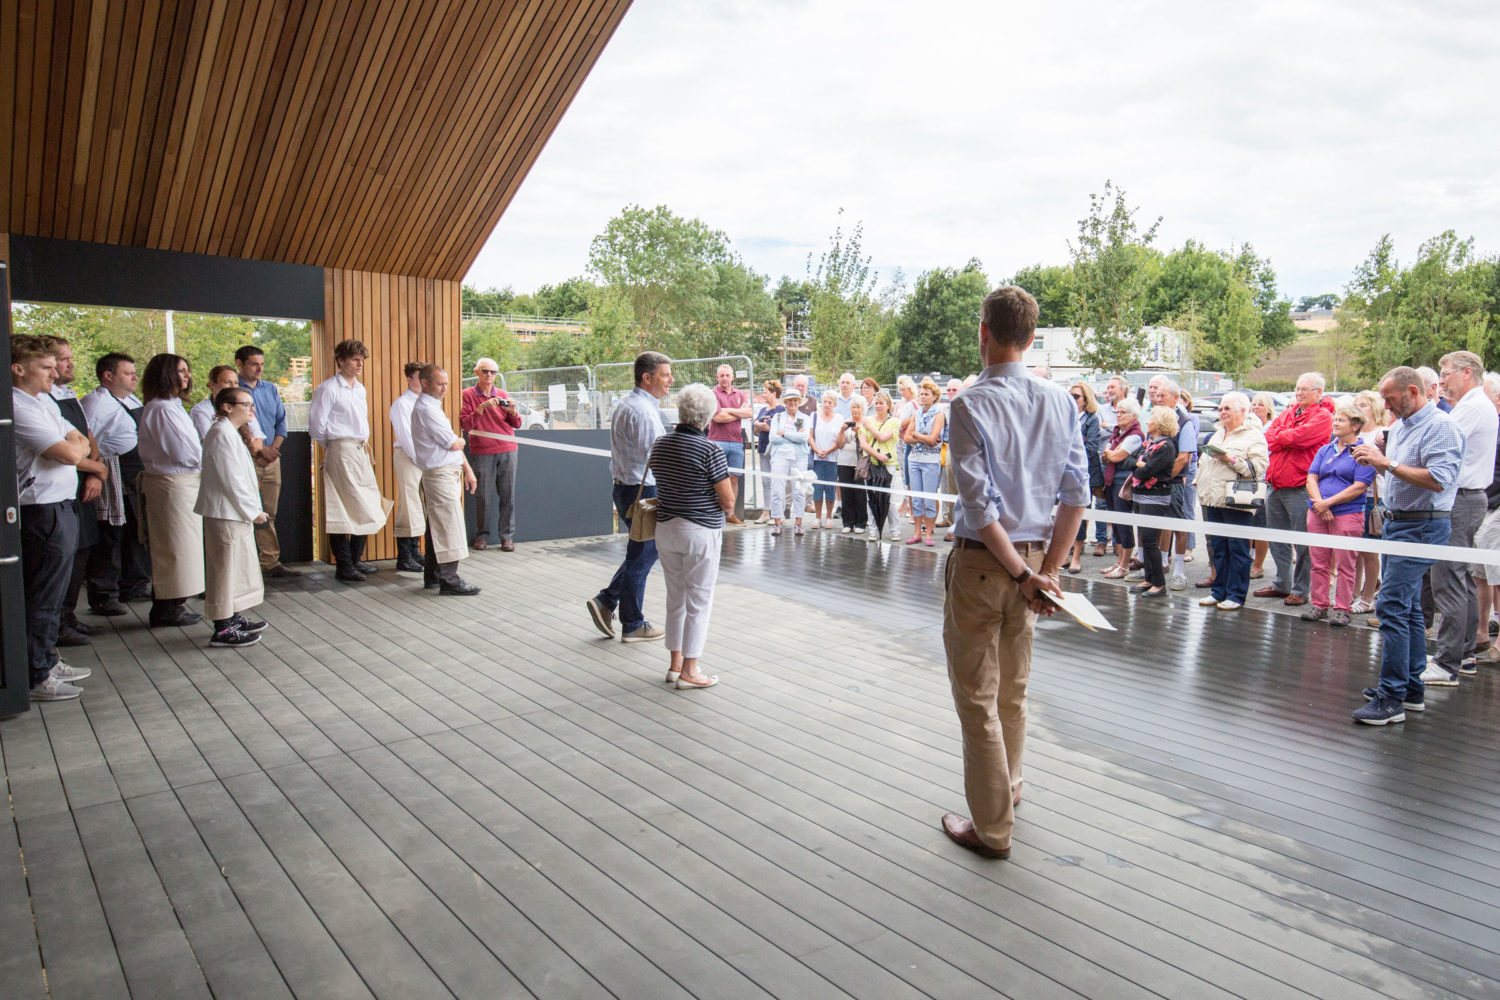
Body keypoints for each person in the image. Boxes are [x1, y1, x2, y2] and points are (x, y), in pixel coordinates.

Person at [940, 286, 1088, 860]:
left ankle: (992, 830)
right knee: (1013, 691)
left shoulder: (970, 403)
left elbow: (980, 509)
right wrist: (1045, 571)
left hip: (984, 563)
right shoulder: (1062, 400)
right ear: (1030, 338)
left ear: (984, 332)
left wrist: (1026, 575)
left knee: (977, 700)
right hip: (1032, 560)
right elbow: (1077, 493)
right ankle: (1011, 787)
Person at [1351, 366, 1463, 725]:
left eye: (1390, 399)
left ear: (1413, 391)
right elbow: (1401, 473)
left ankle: (1392, 697)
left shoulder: (1442, 427)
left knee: (1392, 607)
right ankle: (1411, 688)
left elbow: (1439, 480)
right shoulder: (1400, 427)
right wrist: (1379, 462)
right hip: (1400, 524)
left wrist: (1386, 462)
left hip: (1423, 527)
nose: (1386, 406)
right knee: (1409, 608)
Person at [12, 336, 96, 700]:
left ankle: (46, 657)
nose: (55, 371)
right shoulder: (18, 405)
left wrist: (75, 451)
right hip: (40, 508)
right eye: (45, 367)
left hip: (61, 504)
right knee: (42, 594)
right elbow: (66, 452)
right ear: (18, 369)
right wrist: (74, 452)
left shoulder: (43, 400)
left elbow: (82, 441)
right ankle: (35, 674)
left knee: (58, 590)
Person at [648, 383, 734, 690]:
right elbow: (728, 502)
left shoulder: (660, 444)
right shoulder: (711, 450)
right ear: (708, 416)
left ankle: (674, 665)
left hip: (665, 527)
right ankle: (691, 670)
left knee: (676, 599)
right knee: (699, 600)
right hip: (700, 532)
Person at [585, 351, 672, 643]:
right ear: (647, 378)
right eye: (665, 374)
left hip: (627, 487)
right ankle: (631, 622)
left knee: (642, 553)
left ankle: (607, 601)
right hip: (643, 491)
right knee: (643, 556)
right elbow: (656, 458)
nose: (670, 380)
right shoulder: (643, 411)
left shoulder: (629, 404)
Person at [1422, 351, 1497, 685]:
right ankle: (1462, 654)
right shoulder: (1476, 405)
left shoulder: (1471, 407)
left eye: (1446, 373)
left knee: (1449, 579)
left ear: (1467, 373)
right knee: (1460, 578)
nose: (1441, 381)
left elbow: (1438, 441)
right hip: (1466, 498)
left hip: (1461, 500)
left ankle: (1447, 662)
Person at [309, 339, 392, 582]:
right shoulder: (328, 388)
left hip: (360, 450)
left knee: (366, 503)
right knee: (340, 508)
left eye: (361, 359)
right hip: (341, 447)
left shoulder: (360, 388)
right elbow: (316, 426)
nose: (359, 364)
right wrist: (335, 446)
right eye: (355, 359)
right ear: (341, 361)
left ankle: (355, 560)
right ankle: (344, 565)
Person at [196, 386, 272, 647]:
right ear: (227, 406)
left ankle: (232, 615)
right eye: (246, 404)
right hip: (226, 511)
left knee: (236, 565)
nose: (251, 409)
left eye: (252, 405)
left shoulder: (230, 432)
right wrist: (253, 511)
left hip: (233, 511)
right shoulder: (220, 433)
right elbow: (232, 480)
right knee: (225, 567)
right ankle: (222, 627)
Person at [42, 336, 105, 647]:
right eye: (61, 360)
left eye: (69, 358)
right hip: (62, 487)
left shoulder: (68, 395)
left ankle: (68, 616)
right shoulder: (42, 400)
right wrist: (93, 467)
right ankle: (57, 624)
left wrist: (95, 469)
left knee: (82, 550)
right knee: (63, 557)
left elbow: (86, 437)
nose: (68, 365)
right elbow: (65, 450)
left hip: (84, 484)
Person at [137, 353, 206, 627]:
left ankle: (173, 603)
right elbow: (185, 452)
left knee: (182, 547)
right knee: (174, 548)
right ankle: (166, 607)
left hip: (181, 485)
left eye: (187, 371)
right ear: (165, 374)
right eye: (181, 371)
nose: (186, 376)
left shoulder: (171, 405)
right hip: (172, 486)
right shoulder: (162, 408)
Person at [81, 352, 151, 615]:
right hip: (113, 471)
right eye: (127, 373)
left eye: (134, 372)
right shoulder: (95, 404)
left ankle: (133, 584)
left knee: (137, 530)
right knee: (111, 533)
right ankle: (103, 593)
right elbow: (86, 441)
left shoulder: (130, 398)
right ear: (108, 376)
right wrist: (94, 473)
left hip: (137, 472)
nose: (134, 377)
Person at [1256, 372, 1333, 606]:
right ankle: (1282, 583)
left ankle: (1301, 588)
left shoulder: (1323, 417)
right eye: (1297, 389)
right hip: (1276, 483)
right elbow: (1267, 437)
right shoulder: (1289, 413)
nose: (1298, 393)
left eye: (1304, 389)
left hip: (1300, 486)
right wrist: (1284, 438)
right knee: (1277, 537)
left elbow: (1301, 438)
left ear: (1318, 393)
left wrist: (1283, 437)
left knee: (1303, 542)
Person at [1300, 400, 1375, 626]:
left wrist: (1328, 503)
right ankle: (1319, 604)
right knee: (1319, 561)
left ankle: (1343, 607)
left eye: (1341, 420)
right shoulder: (1325, 449)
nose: (1336, 423)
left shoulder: (1364, 452)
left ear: (1355, 425)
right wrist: (1318, 503)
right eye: (1335, 419)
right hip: (1318, 512)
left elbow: (1359, 486)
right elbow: (1312, 477)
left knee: (1345, 563)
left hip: (1347, 513)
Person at [1193, 392, 1268, 611]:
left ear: (1243, 412)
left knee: (1237, 549)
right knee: (1218, 548)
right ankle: (1219, 591)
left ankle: (1236, 594)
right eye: (1220, 409)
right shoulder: (1217, 434)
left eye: (1227, 408)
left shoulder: (1254, 436)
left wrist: (1230, 459)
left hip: (1236, 502)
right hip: (1212, 501)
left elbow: (1257, 469)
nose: (1222, 412)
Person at [412, 366, 481, 596]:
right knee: (449, 526)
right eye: (439, 383)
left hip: (445, 472)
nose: (445, 388)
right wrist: (459, 441)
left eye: (446, 383)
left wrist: (467, 468)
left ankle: (433, 575)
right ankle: (450, 581)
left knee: (437, 526)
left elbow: (452, 443)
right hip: (439, 474)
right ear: (424, 382)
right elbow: (452, 443)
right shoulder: (426, 410)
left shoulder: (433, 408)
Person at [235, 346, 298, 578]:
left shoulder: (270, 389)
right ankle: (245, 563)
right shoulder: (233, 391)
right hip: (246, 459)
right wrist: (259, 450)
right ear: (239, 364)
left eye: (261, 363)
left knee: (268, 512)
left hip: (272, 458)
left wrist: (273, 449)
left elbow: (282, 421)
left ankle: (270, 561)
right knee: (246, 510)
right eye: (253, 364)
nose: (259, 368)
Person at [460, 356, 522, 552]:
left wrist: (512, 411)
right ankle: (482, 535)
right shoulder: (467, 395)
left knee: (508, 495)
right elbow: (465, 424)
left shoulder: (502, 394)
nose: (489, 375)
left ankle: (507, 537)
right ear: (476, 372)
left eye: (492, 372)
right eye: (485, 371)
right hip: (483, 451)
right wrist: (481, 408)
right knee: (483, 496)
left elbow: (517, 424)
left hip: (508, 449)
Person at [1129, 406, 1180, 598]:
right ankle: (1149, 578)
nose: (1148, 422)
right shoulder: (1148, 444)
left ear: (1159, 423)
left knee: (1150, 541)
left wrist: (1139, 466)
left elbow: (1145, 471)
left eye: (1151, 419)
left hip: (1155, 498)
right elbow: (1129, 462)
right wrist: (1138, 465)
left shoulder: (1166, 446)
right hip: (1140, 496)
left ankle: (1159, 583)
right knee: (1144, 538)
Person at [1469, 372, 1500, 663]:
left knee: (1498, 575)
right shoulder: (1489, 425)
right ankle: (1481, 632)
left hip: (1498, 506)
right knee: (1479, 573)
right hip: (1485, 504)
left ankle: (1499, 644)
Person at [1351, 390, 1388, 613]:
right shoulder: (1350, 435)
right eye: (1355, 405)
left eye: (1363, 405)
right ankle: (1352, 593)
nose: (1358, 408)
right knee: (1353, 550)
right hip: (1351, 497)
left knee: (1369, 550)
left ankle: (1367, 597)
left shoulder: (1381, 434)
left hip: (1374, 497)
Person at [389, 362, 427, 573]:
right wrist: (420, 458)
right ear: (409, 380)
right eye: (418, 377)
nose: (422, 381)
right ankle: (404, 556)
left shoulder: (427, 403)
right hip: (409, 457)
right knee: (409, 504)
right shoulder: (402, 404)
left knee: (421, 505)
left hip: (424, 459)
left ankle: (415, 551)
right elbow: (405, 437)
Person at [1099, 396, 1143, 579]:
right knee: (1115, 523)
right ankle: (1118, 561)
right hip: (1111, 480)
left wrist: (1111, 454)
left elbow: (1115, 457)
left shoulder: (1134, 435)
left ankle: (1124, 565)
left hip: (1123, 481)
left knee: (1123, 524)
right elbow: (1106, 455)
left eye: (1123, 412)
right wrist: (1111, 453)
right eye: (1117, 412)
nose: (1118, 415)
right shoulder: (1117, 433)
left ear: (1133, 415)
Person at [1065, 382, 1104, 573]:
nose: (1072, 399)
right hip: (1063, 473)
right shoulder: (1064, 417)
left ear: (1085, 399)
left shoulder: (1091, 420)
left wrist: (1069, 455)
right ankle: (1063, 553)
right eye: (1070, 395)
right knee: (1061, 515)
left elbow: (1091, 448)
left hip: (1083, 474)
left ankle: (1076, 556)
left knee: (1080, 515)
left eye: (1076, 396)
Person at [902, 377, 946, 546]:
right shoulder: (916, 414)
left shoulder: (939, 414)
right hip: (914, 459)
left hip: (930, 460)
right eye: (921, 394)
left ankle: (929, 533)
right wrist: (922, 438)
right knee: (916, 497)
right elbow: (906, 438)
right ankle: (917, 532)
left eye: (926, 394)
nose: (923, 397)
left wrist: (917, 436)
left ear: (934, 396)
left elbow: (933, 438)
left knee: (929, 497)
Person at [708, 363, 750, 526]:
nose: (725, 378)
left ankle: (730, 513)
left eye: (728, 375)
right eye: (722, 375)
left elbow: (749, 413)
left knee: (734, 478)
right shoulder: (712, 394)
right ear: (717, 377)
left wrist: (728, 410)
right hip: (717, 442)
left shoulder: (740, 394)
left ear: (732, 377)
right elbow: (717, 418)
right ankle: (715, 513)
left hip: (737, 442)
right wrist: (738, 413)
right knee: (716, 478)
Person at [766, 384, 810, 536]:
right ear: (785, 402)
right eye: (790, 400)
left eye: (796, 401)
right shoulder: (778, 417)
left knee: (799, 491)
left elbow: (803, 438)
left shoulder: (804, 418)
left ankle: (798, 523)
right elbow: (773, 438)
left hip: (799, 458)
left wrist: (784, 434)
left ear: (799, 402)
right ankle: (777, 522)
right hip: (780, 457)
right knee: (777, 490)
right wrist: (792, 436)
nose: (793, 403)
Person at [859, 391, 901, 542]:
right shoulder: (867, 420)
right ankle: (873, 530)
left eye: (881, 403)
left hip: (888, 465)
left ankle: (895, 530)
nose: (878, 406)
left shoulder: (894, 422)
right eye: (876, 403)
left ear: (888, 406)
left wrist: (870, 427)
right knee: (871, 498)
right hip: (872, 464)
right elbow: (863, 443)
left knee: (887, 499)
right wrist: (877, 455)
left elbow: (883, 437)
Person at [1247, 392, 1279, 580]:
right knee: (1247, 522)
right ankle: (1247, 559)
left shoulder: (1271, 428)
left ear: (1268, 409)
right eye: (1253, 404)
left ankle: (1258, 565)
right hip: (1247, 481)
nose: (1256, 407)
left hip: (1264, 480)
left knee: (1260, 524)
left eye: (1260, 404)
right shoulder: (1248, 426)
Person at [193, 366, 264, 448]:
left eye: (236, 383)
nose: (233, 386)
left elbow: (258, 441)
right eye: (227, 382)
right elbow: (212, 444)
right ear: (212, 384)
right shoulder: (201, 410)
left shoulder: (242, 405)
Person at [751, 380, 784, 524]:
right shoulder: (763, 410)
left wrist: (762, 425)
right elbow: (755, 429)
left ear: (774, 393)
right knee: (765, 481)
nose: (763, 395)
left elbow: (774, 428)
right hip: (763, 449)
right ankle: (766, 512)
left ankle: (779, 514)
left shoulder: (780, 410)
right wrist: (761, 426)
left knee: (777, 481)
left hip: (776, 450)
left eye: (765, 392)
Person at [834, 397, 868, 534]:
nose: (855, 410)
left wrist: (858, 432)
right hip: (844, 461)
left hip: (860, 462)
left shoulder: (866, 423)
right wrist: (842, 431)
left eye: (858, 407)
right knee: (846, 492)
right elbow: (839, 444)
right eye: (853, 407)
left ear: (863, 409)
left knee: (859, 492)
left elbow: (867, 443)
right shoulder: (846, 422)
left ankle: (861, 522)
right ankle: (847, 522)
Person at [809, 391, 842, 528]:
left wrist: (828, 451)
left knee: (830, 488)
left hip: (832, 459)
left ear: (834, 404)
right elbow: (810, 435)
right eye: (825, 401)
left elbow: (840, 440)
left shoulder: (839, 418)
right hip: (817, 459)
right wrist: (816, 450)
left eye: (830, 402)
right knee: (817, 488)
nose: (827, 405)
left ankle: (829, 517)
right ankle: (817, 518)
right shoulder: (814, 416)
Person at [937, 378, 963, 529]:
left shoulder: (964, 406)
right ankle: (948, 518)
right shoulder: (947, 408)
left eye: (954, 390)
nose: (951, 393)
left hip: (961, 450)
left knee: (957, 487)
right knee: (946, 486)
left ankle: (956, 524)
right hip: (947, 448)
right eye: (949, 390)